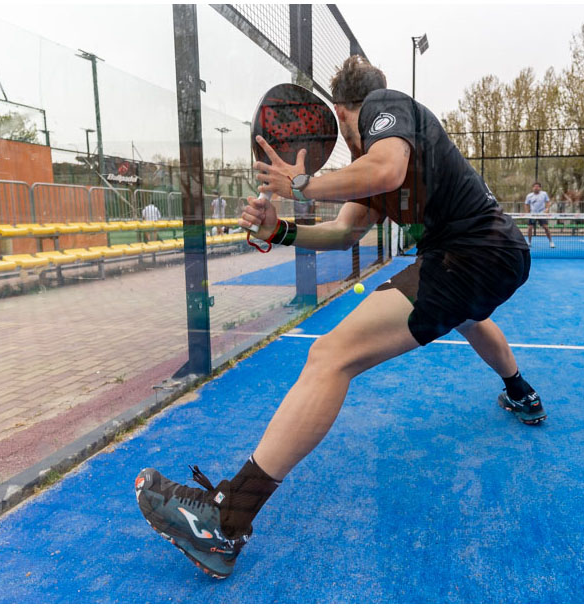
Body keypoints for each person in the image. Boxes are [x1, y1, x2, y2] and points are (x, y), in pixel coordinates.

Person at [135, 55, 547, 579]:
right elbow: (342, 232)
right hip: (491, 256)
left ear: (343, 111)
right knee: (466, 317)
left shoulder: (385, 106)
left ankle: (226, 517)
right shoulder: (380, 163)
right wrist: (278, 230)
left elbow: (386, 167)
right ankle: (521, 392)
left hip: (471, 254)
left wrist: (302, 183)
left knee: (330, 356)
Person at [523, 181, 554, 248]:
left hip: (542, 214)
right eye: (534, 187)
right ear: (532, 188)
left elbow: (548, 202)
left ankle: (551, 242)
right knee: (530, 228)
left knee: (546, 227)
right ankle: (529, 242)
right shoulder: (529, 195)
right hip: (532, 214)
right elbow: (526, 204)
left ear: (540, 188)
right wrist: (527, 213)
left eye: (537, 187)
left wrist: (547, 209)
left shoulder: (544, 194)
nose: (536, 188)